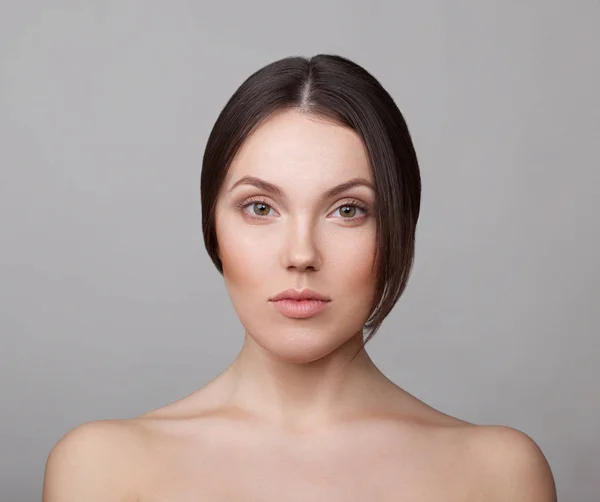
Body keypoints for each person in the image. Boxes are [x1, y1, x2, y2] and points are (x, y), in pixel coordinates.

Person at [42, 54, 557, 501]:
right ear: (213, 228)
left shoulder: (499, 474)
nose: (301, 254)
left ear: (399, 227)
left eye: (348, 210)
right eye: (260, 207)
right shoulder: (102, 467)